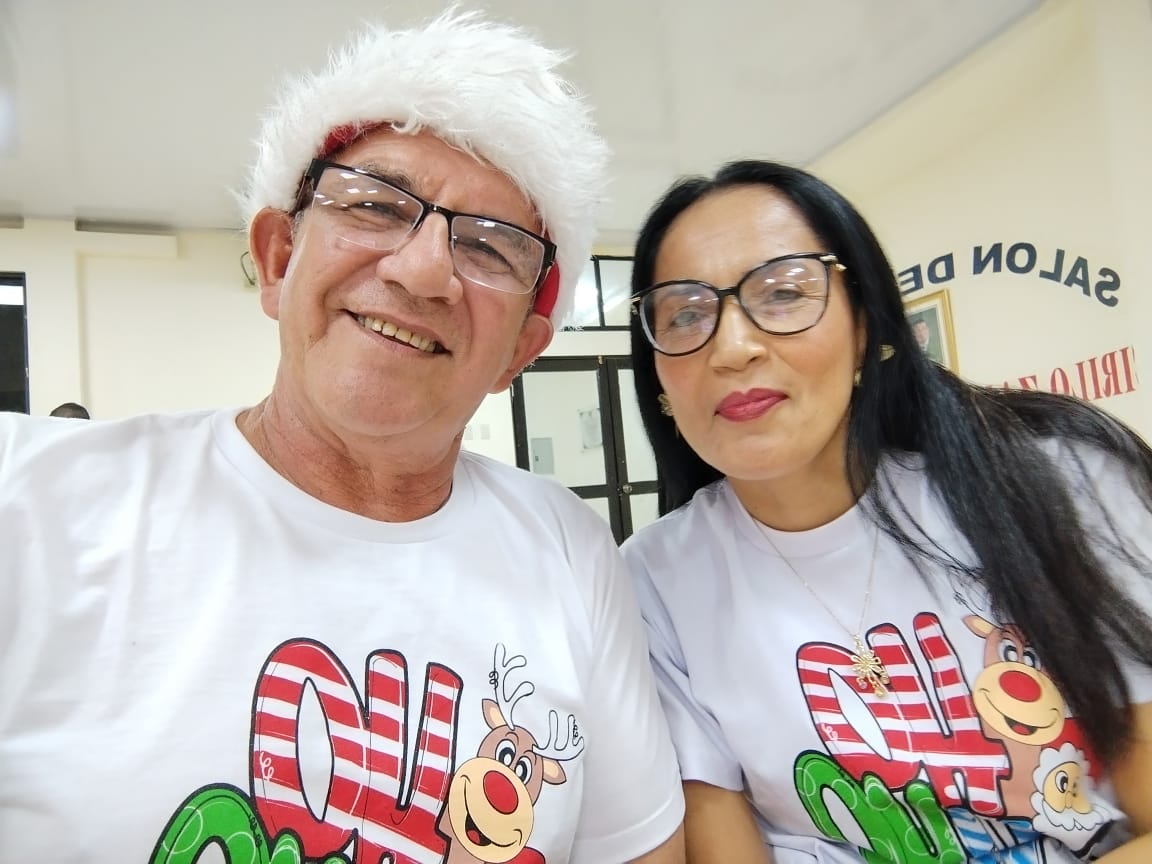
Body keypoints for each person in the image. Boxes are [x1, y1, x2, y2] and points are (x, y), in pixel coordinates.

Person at [0, 12, 685, 863]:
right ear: (278, 259)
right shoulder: (30, 499)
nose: (423, 271)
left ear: (520, 351)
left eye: (490, 247)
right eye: (376, 204)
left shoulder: (570, 553)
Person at [621, 159, 1152, 863]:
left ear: (865, 327)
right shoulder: (654, 582)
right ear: (659, 377)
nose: (733, 348)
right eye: (686, 314)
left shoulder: (1058, 478)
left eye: (783, 293)